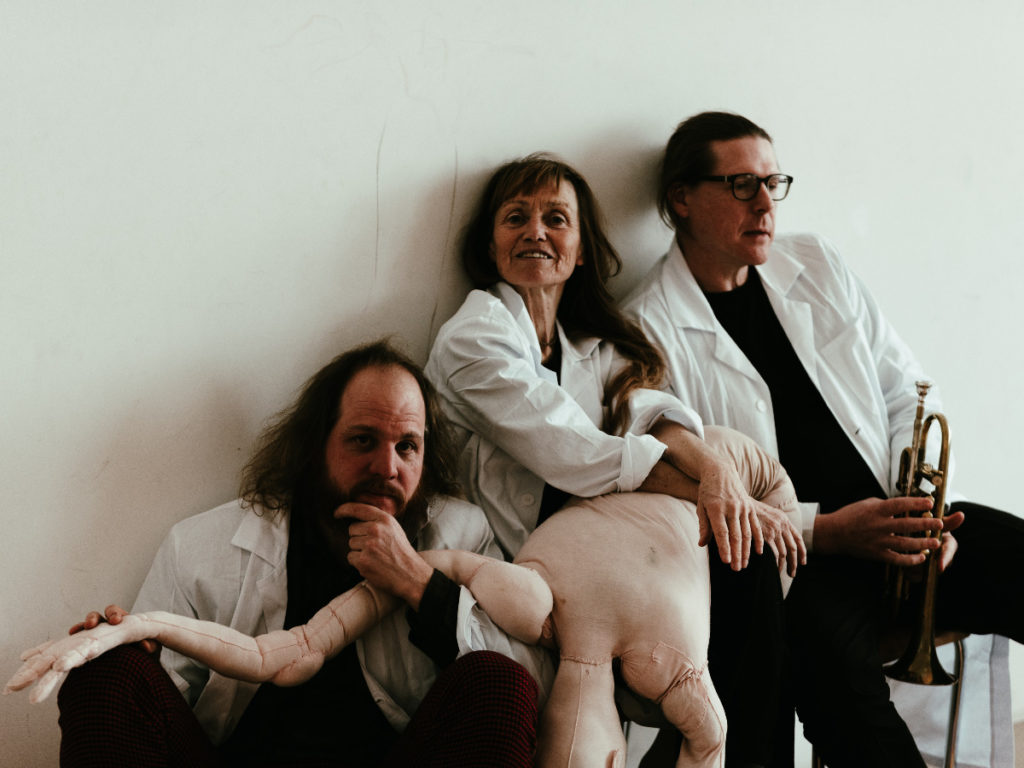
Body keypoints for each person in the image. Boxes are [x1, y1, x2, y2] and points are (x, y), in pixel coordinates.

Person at [623, 110, 1024, 768]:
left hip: (901, 530)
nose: (764, 205)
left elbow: (906, 389)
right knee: (841, 690)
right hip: (803, 567)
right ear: (681, 200)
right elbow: (689, 493)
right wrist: (833, 530)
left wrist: (919, 511)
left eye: (772, 183)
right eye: (741, 185)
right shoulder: (647, 328)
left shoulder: (815, 262)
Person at [425, 153, 805, 768]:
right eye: (515, 218)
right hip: (515, 586)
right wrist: (710, 492)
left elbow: (650, 410)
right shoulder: (473, 338)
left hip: (599, 579)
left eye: (556, 219)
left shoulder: (589, 348)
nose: (535, 232)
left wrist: (716, 474)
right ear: (490, 246)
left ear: (580, 251)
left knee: (746, 561)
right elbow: (575, 450)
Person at [56, 340, 549, 768]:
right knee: (104, 668)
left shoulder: (462, 533)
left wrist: (420, 583)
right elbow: (159, 705)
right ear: (316, 445)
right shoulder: (200, 545)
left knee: (499, 682)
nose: (387, 466)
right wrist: (131, 654)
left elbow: (531, 689)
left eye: (407, 446)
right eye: (363, 440)